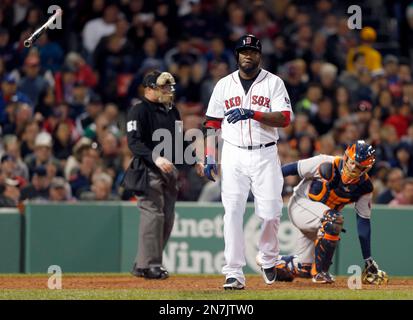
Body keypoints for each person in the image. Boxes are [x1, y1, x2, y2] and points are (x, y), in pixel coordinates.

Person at [203, 34, 294, 290]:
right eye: (243, 51)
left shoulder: (274, 83)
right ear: (237, 55)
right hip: (233, 153)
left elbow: (285, 118)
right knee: (231, 212)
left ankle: (267, 257)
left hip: (265, 153)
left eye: (252, 51)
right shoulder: (224, 84)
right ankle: (233, 273)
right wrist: (210, 155)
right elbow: (211, 122)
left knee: (271, 213)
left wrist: (252, 114)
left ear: (259, 55)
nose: (247, 55)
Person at [125, 70, 202, 280]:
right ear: (149, 89)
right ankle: (151, 265)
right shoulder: (138, 111)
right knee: (153, 215)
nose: (168, 90)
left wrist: (194, 159)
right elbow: (134, 142)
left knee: (167, 219)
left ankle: (143, 264)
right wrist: (155, 157)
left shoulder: (172, 111)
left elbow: (180, 140)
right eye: (163, 86)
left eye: (169, 86)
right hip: (147, 170)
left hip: (169, 172)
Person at [282, 140, 388, 284]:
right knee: (333, 220)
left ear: (365, 170)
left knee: (304, 268)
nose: (352, 167)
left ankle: (270, 263)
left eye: (358, 166)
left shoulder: (365, 187)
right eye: (351, 162)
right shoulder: (325, 162)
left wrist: (368, 259)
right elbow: (291, 169)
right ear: (345, 157)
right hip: (301, 205)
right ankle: (321, 273)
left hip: (320, 220)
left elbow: (363, 223)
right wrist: (266, 183)